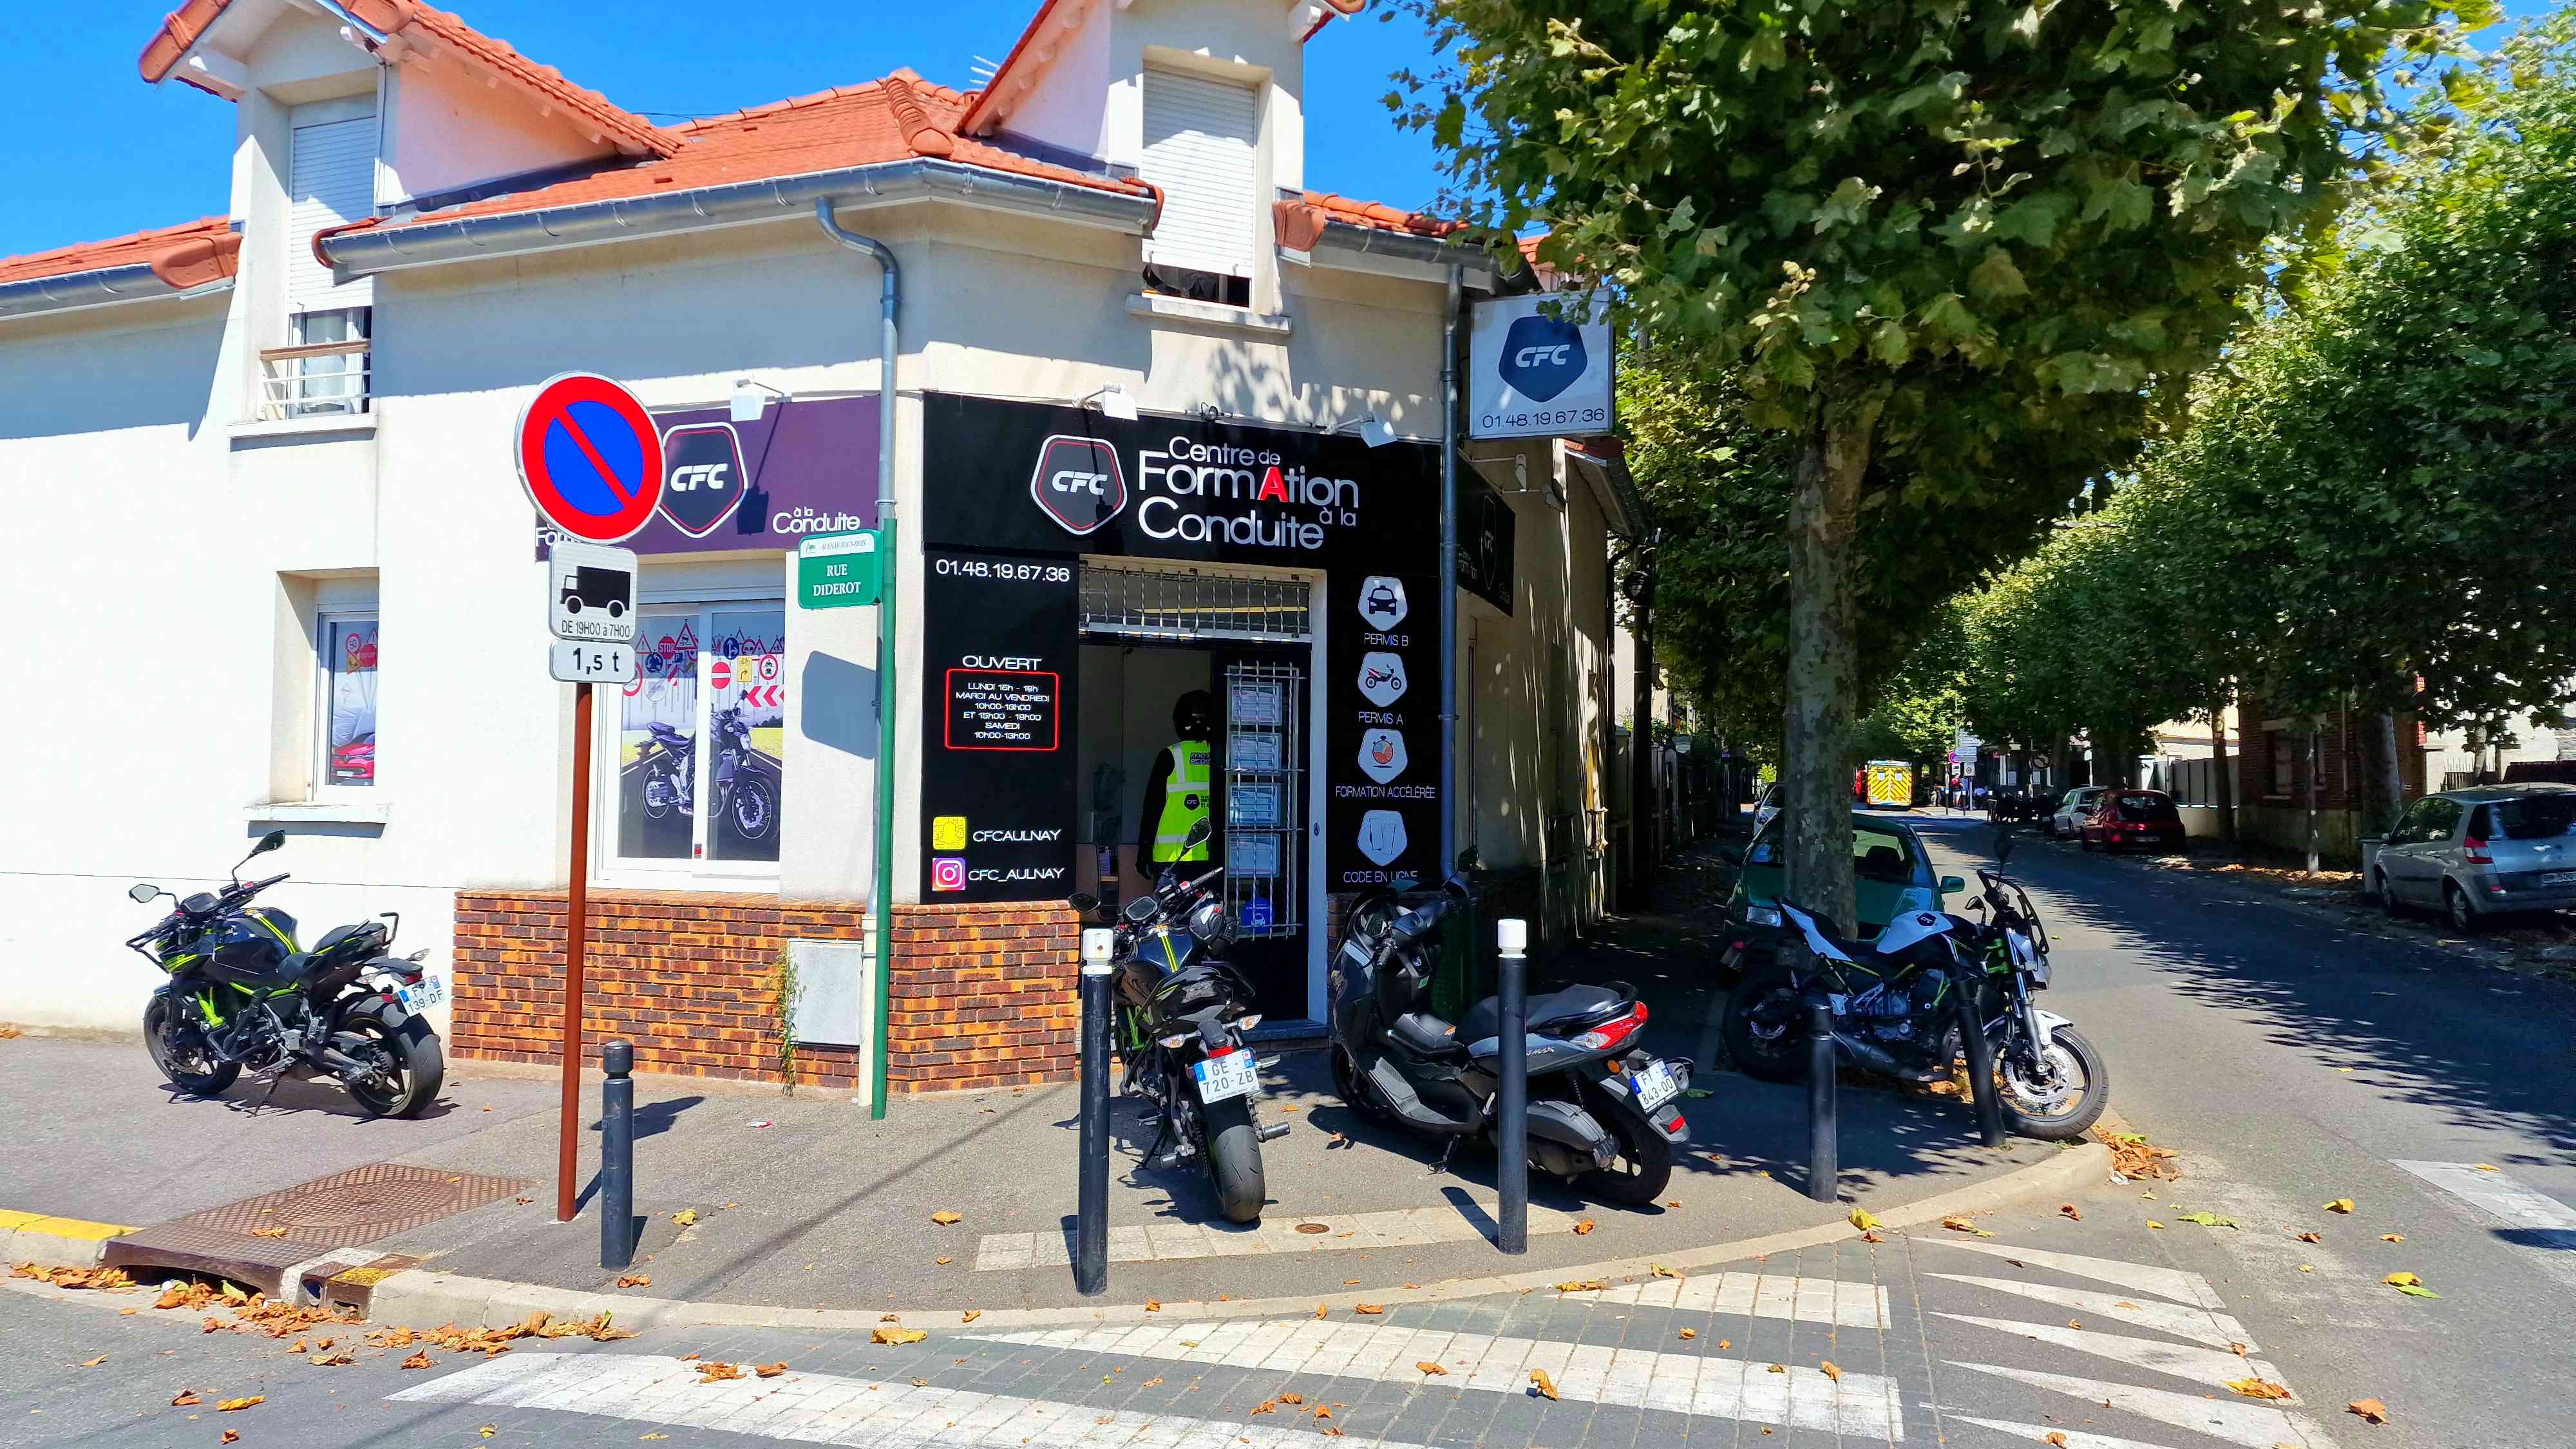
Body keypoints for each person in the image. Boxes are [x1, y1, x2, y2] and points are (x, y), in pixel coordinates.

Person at [1137, 689, 1215, 882]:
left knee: (1170, 912)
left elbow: (1152, 808)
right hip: (1214, 857)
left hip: (1171, 860)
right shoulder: (1226, 757)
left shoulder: (1170, 756)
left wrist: (1143, 850)